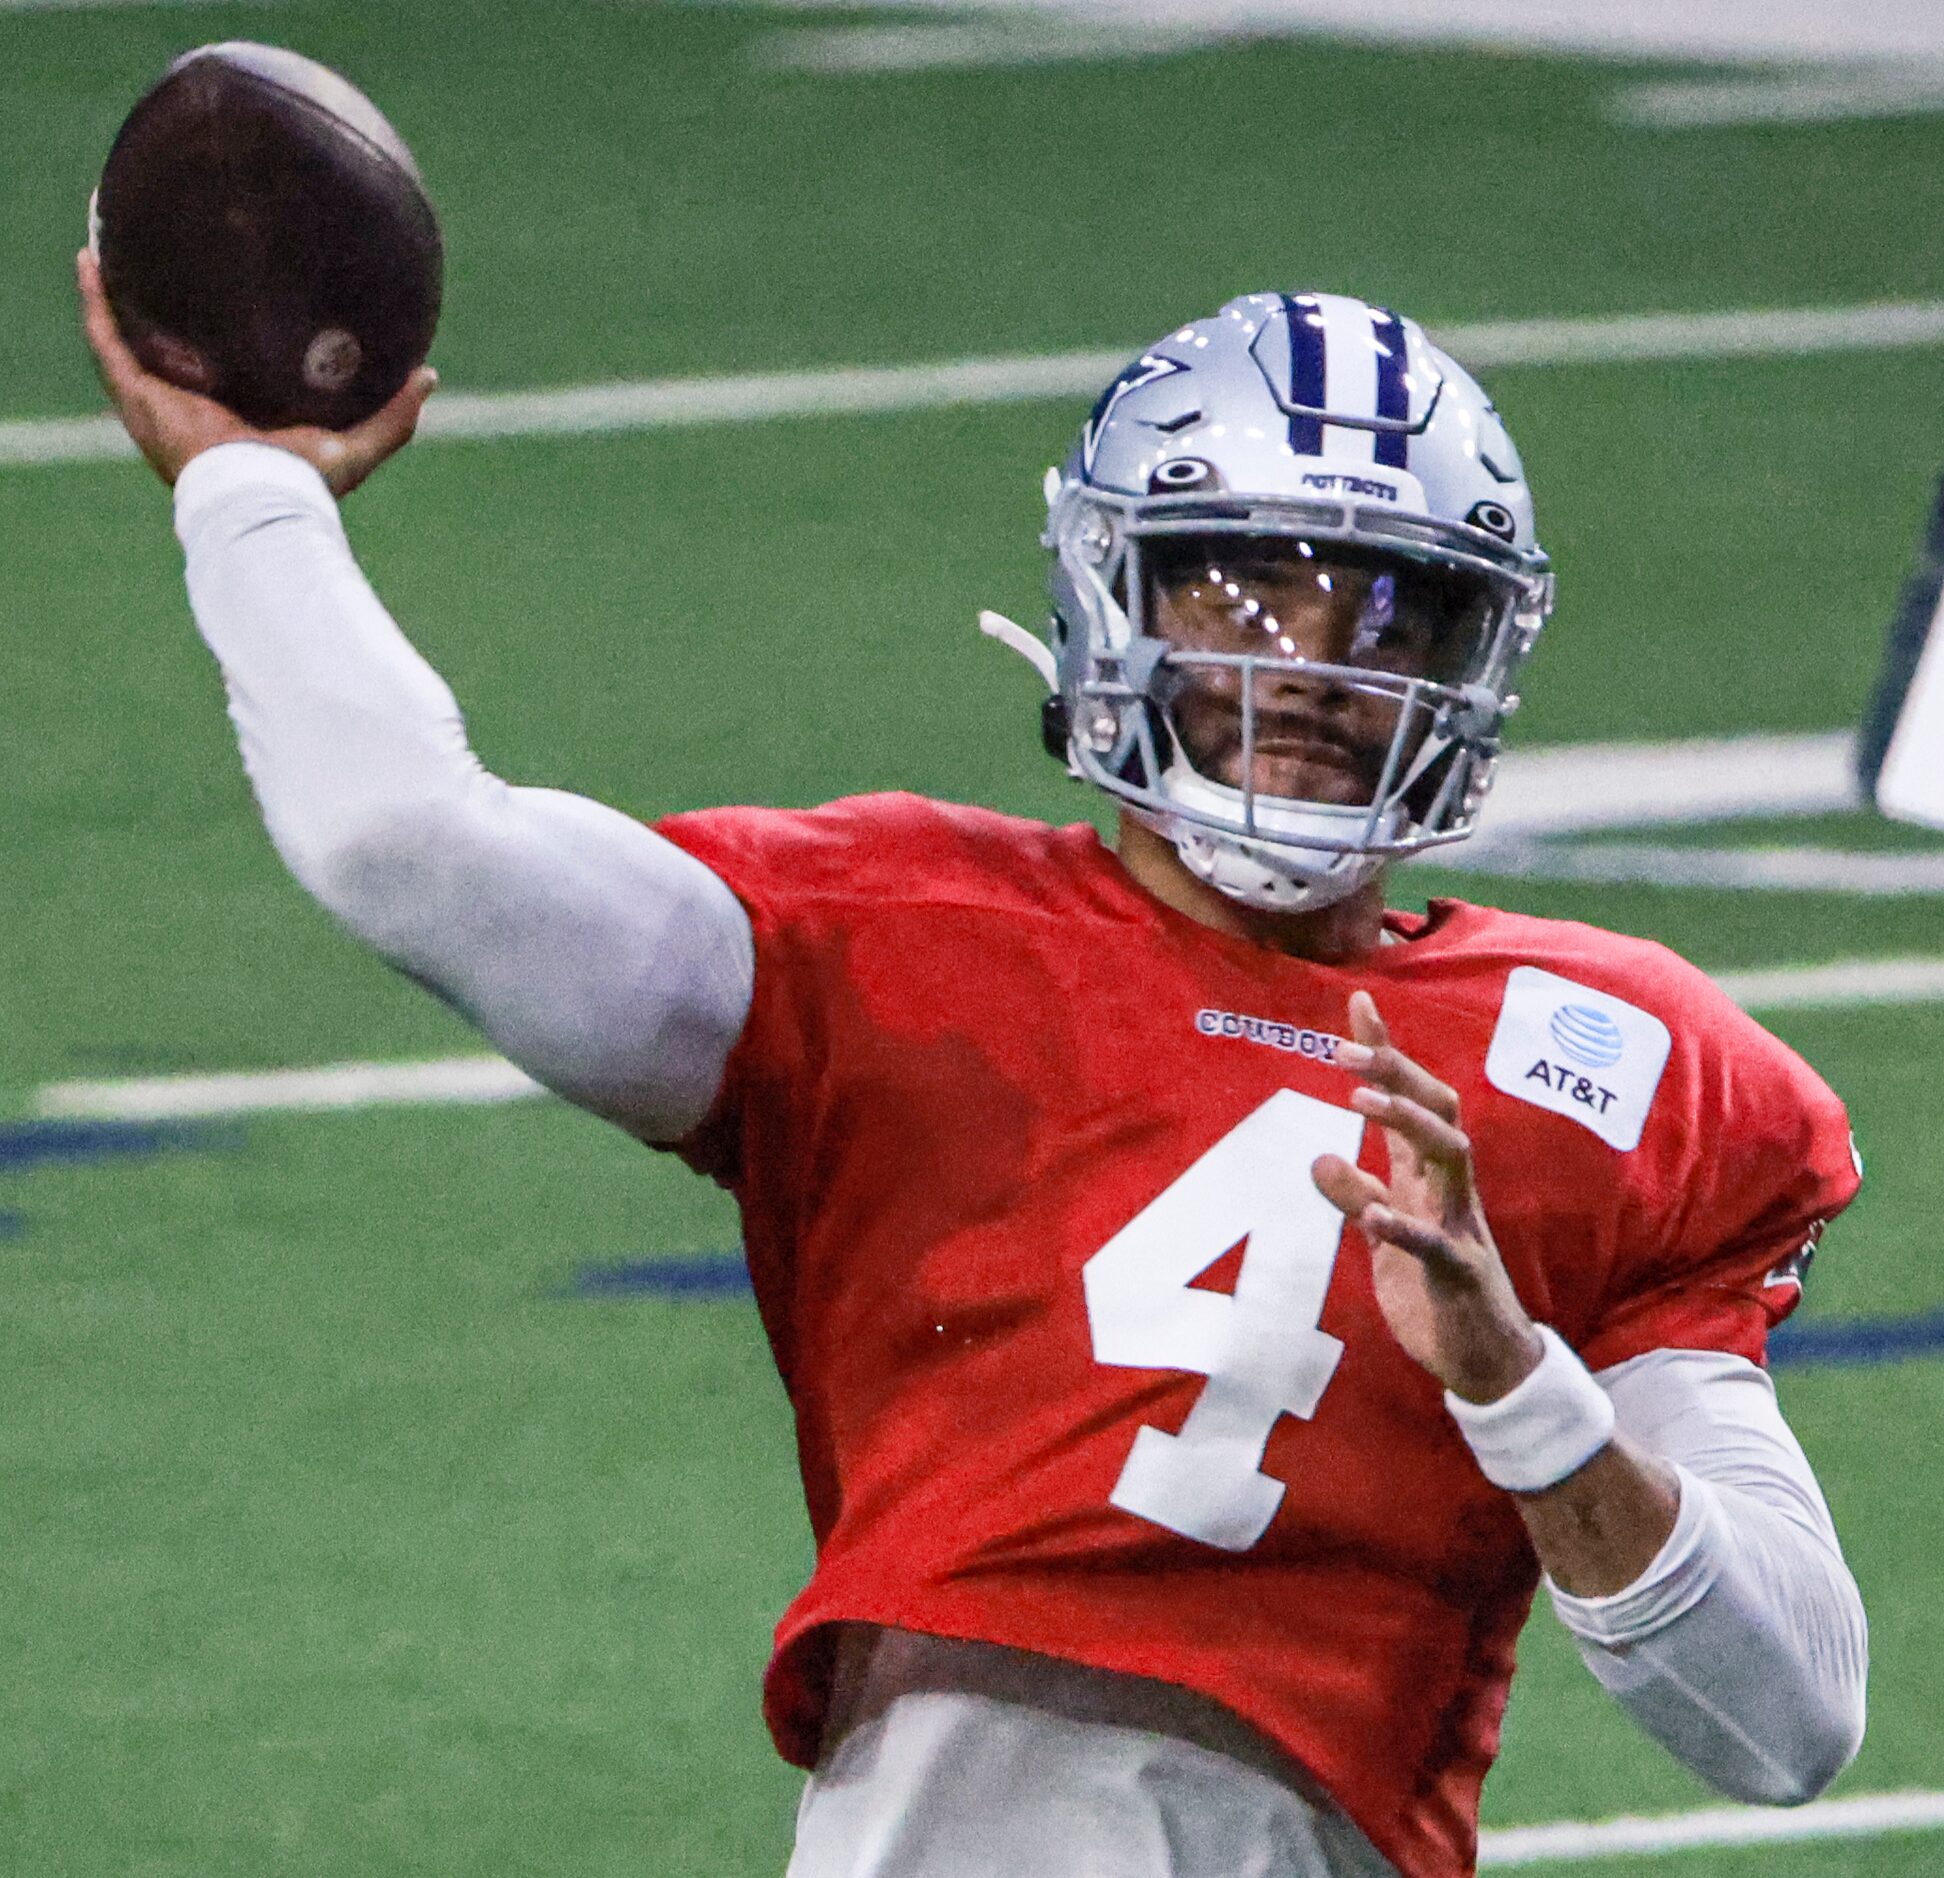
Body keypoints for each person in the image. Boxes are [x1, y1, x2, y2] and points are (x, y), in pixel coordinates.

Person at [80, 259, 1869, 1878]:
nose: (1322, 665)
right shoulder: (883, 936)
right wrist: (251, 496)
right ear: (1120, 594)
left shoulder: (1625, 1065)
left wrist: (1521, 1390)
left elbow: (1790, 1720)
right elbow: (409, 839)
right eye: (1251, 588)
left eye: (1393, 614)